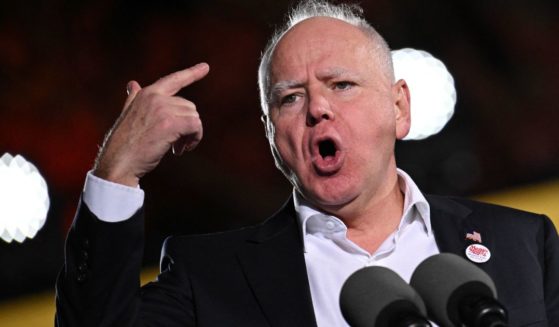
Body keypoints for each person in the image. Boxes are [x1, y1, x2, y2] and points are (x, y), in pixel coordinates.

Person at [55, 1, 559, 326]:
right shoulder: (209, 278)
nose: (318, 107)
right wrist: (115, 173)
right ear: (273, 134)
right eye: (290, 98)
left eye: (341, 85)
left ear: (399, 107)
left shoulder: (523, 244)